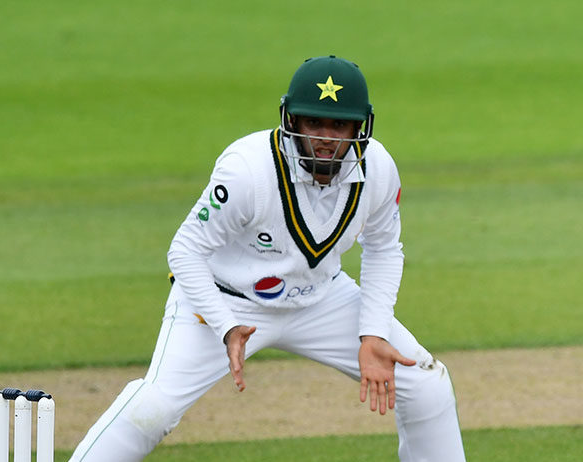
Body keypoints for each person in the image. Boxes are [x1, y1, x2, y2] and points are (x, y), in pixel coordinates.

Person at [69, 56, 465, 462]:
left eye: (338, 125)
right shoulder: (247, 170)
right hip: (224, 299)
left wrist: (373, 332)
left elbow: (384, 248)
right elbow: (185, 250)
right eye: (313, 123)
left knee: (426, 386)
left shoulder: (378, 168)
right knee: (153, 409)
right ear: (291, 121)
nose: (325, 138)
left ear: (358, 127)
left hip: (320, 298)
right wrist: (226, 326)